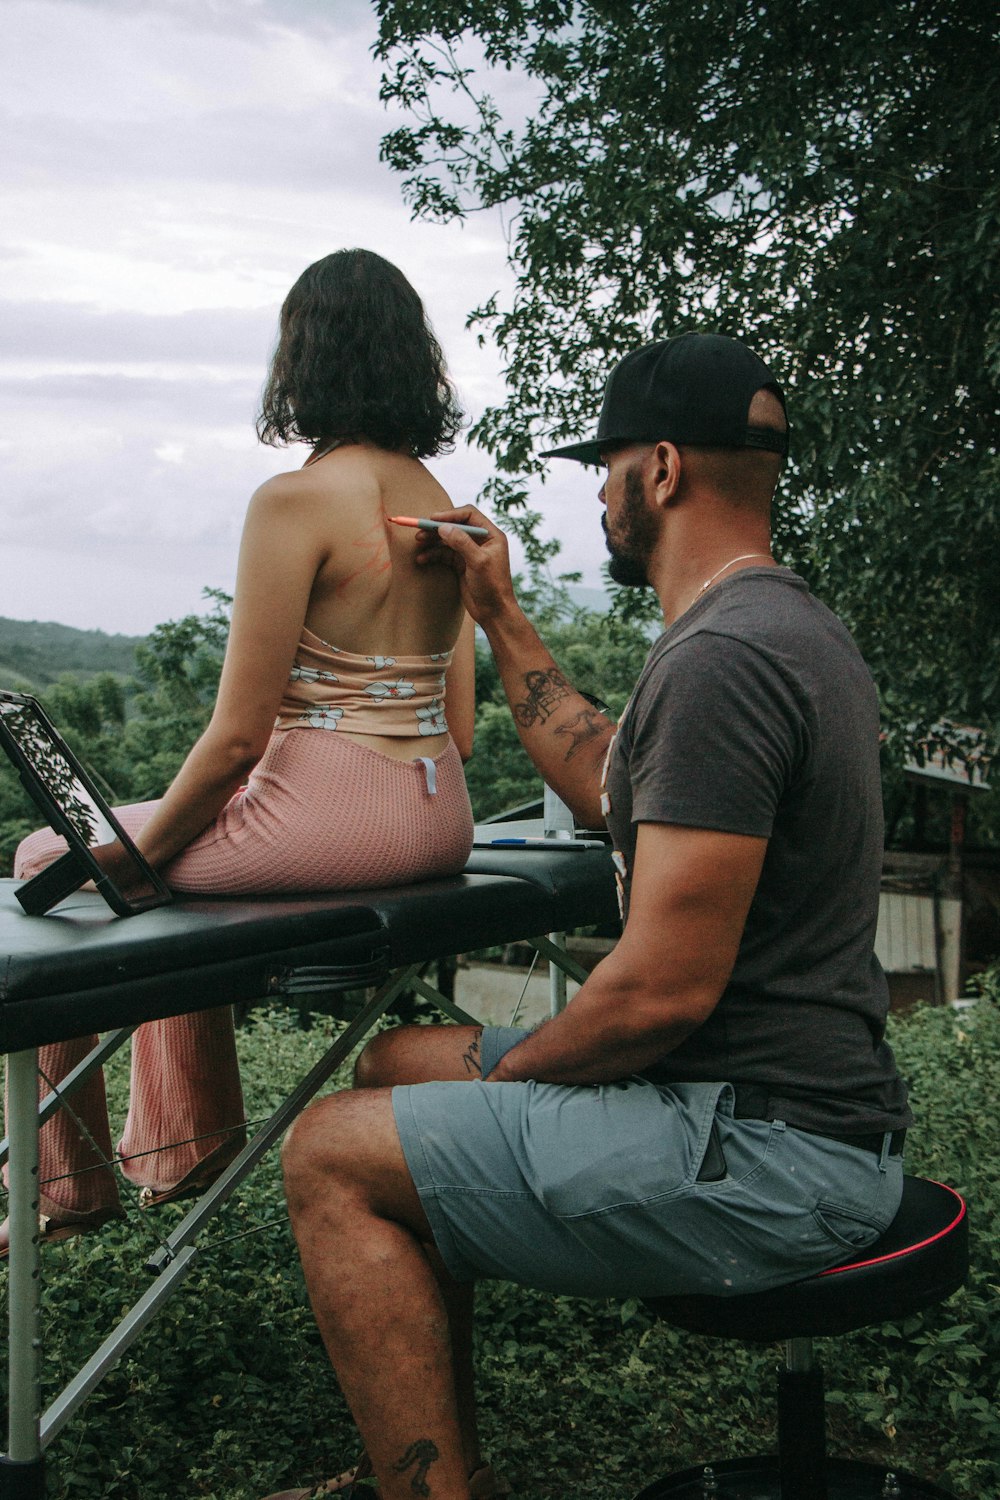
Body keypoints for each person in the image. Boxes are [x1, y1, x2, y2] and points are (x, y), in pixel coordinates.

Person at [262, 332, 913, 1500]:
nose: (599, 499)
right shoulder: (779, 626)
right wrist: (498, 614)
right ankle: (440, 1460)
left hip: (770, 1149)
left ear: (658, 470)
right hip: (777, 1103)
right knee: (398, 1063)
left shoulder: (722, 661)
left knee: (328, 1154)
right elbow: (613, 777)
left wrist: (510, 1088)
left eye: (603, 469)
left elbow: (659, 993)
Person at [1, 249, 476, 1259]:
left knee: (55, 858)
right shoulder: (447, 509)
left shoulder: (294, 502)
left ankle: (69, 1183)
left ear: (300, 359)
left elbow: (234, 742)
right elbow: (463, 730)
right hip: (438, 816)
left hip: (333, 816)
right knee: (179, 857)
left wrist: (141, 852)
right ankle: (185, 1144)